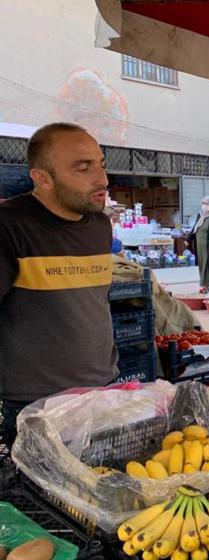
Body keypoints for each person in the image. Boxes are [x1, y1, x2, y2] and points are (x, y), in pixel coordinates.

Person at [0, 123, 117, 442]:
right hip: (37, 406)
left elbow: (94, 306)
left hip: (100, 392)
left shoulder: (99, 226)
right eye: (83, 168)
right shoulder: (10, 226)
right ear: (43, 178)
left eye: (100, 165)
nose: (102, 179)